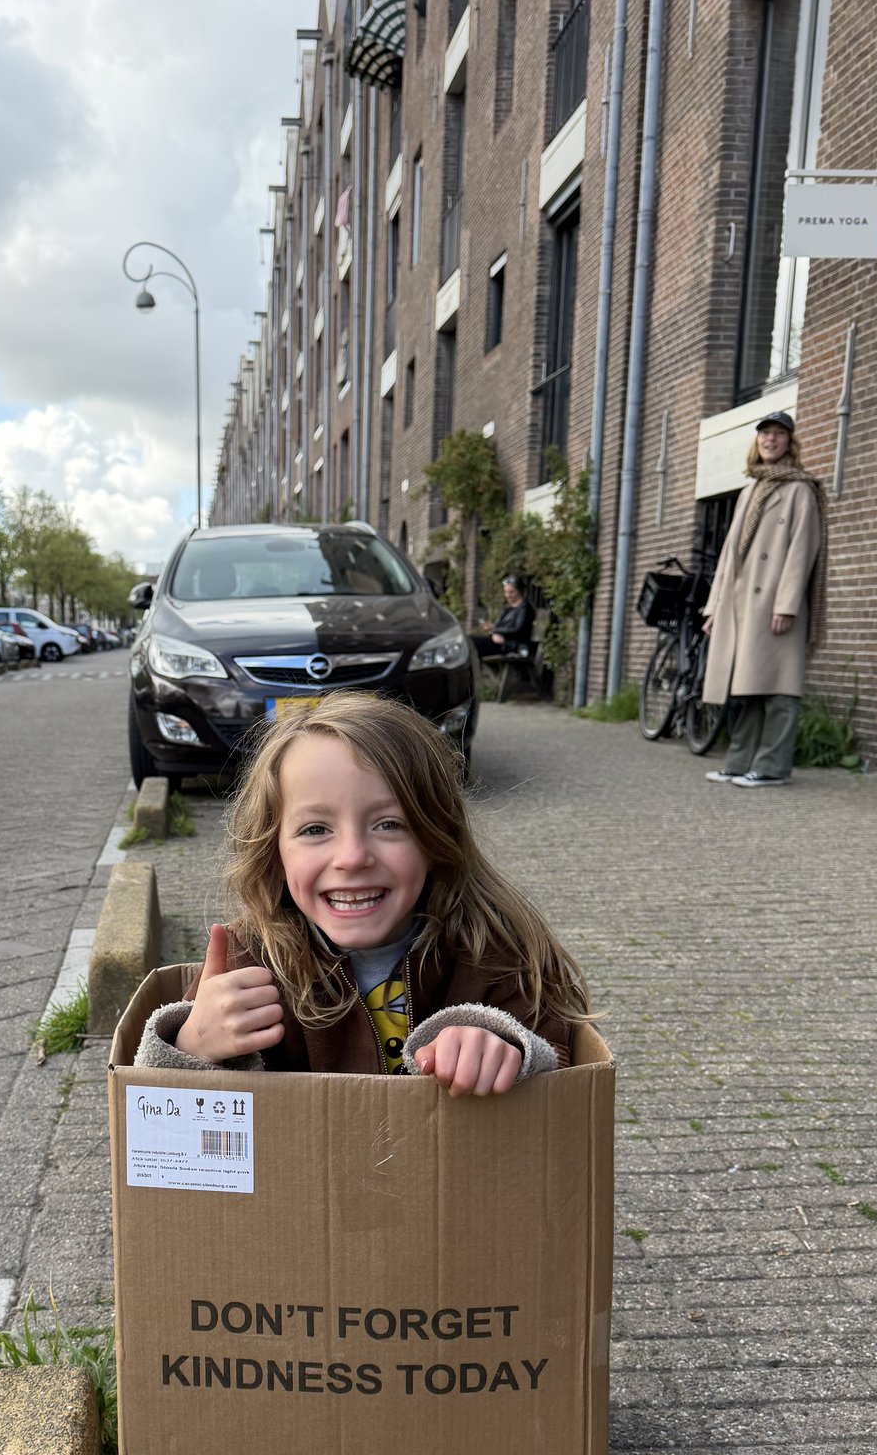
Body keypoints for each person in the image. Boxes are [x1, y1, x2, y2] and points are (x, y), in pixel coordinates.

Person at [134, 694, 589, 1092]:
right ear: (274, 851)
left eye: (389, 824)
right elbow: (159, 1120)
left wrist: (507, 1048)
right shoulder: (245, 961)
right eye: (315, 829)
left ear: (437, 838)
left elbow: (564, 1073)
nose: (352, 857)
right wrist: (191, 1045)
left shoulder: (497, 951)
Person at [701, 411, 826, 788]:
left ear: (790, 442)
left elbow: (803, 549)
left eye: (778, 434)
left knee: (779, 688)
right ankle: (739, 762)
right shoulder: (749, 490)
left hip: (774, 603)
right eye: (764, 434)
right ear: (757, 443)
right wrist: (714, 608)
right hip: (742, 604)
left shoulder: (801, 490)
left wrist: (786, 604)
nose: (770, 440)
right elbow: (729, 555)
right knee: (747, 686)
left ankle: (772, 768)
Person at [476, 576, 535, 657]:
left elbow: (518, 629)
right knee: (469, 641)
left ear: (520, 591)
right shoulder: (508, 609)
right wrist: (493, 627)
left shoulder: (525, 609)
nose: (507, 595)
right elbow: (502, 626)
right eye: (505, 592)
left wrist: (499, 635)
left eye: (511, 592)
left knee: (473, 644)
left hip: (511, 646)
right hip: (500, 642)